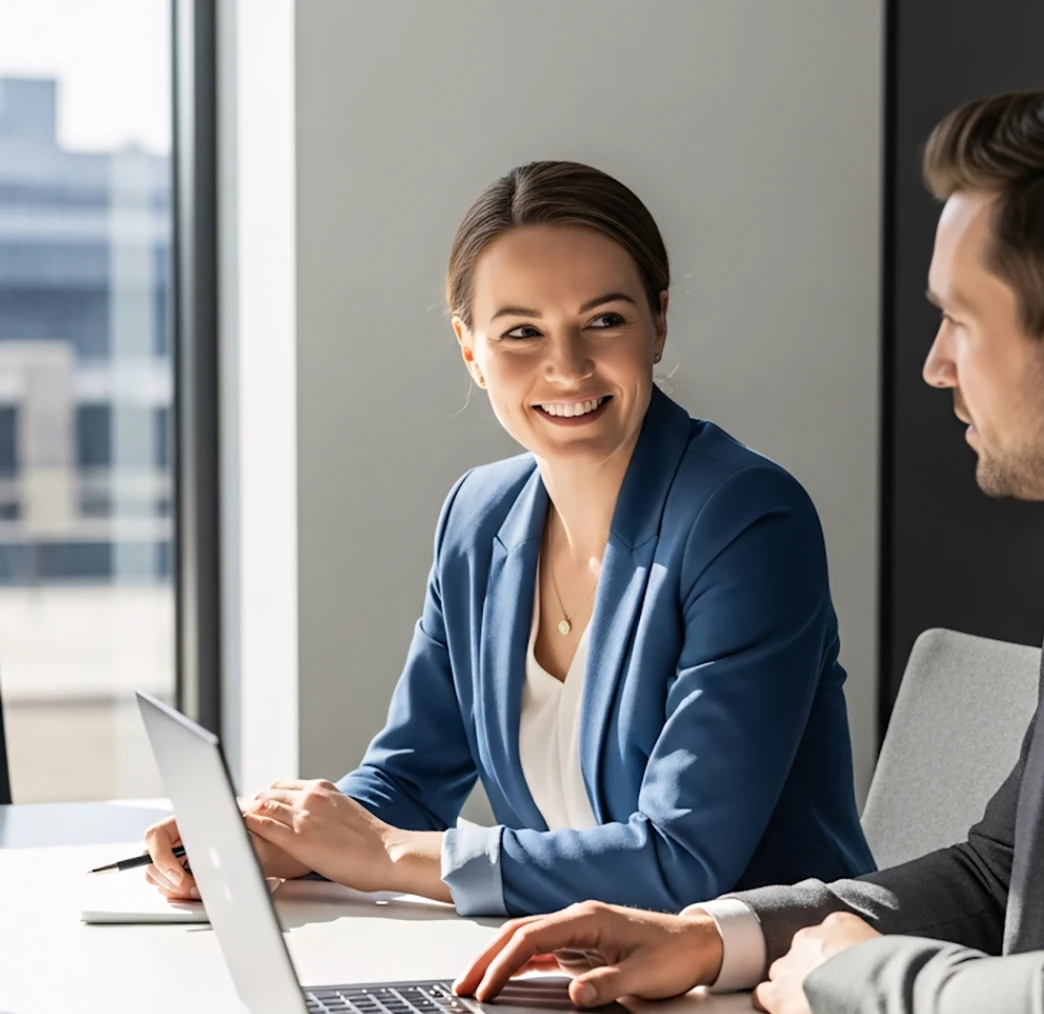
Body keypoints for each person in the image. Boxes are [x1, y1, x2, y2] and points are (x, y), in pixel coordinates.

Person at [455, 83, 1044, 1014]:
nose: (936, 364)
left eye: (959, 320)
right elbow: (1001, 874)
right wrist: (713, 939)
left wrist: (861, 983)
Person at [144, 160, 873, 917]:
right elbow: (406, 783)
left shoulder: (747, 520)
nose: (566, 366)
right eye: (521, 332)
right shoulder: (479, 514)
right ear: (470, 348)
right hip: (571, 974)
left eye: (605, 321)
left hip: (761, 990)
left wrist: (384, 854)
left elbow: (682, 859)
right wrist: (269, 839)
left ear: (659, 322)